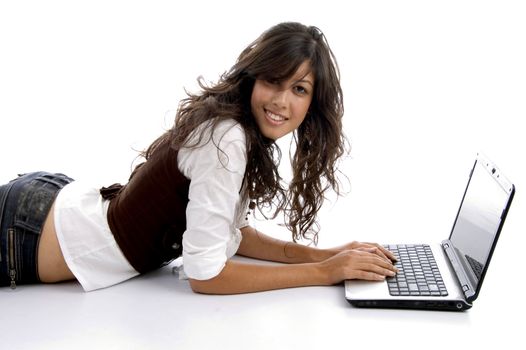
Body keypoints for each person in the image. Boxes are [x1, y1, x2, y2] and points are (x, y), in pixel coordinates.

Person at [0, 22, 398, 293]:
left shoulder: (238, 131)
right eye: (273, 81)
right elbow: (205, 276)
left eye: (298, 89)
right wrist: (324, 273)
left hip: (49, 207)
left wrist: (328, 252)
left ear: (313, 102)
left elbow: (231, 233)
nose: (280, 101)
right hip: (26, 232)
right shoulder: (226, 138)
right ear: (253, 77)